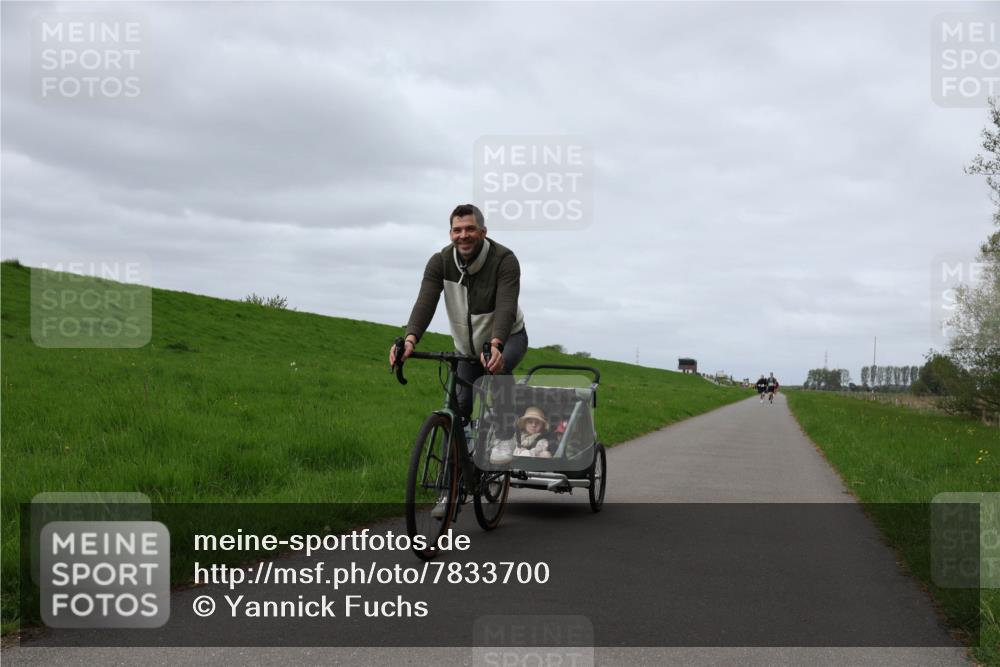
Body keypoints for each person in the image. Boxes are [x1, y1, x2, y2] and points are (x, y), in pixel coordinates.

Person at [389, 204, 529, 514]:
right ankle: (448, 490)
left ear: (483, 231)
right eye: (457, 230)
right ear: (451, 233)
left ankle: (505, 436)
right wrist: (410, 339)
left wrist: (496, 344)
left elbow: (506, 306)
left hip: (508, 337)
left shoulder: (504, 260)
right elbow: (425, 301)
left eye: (469, 229)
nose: (463, 235)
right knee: (457, 411)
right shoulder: (440, 262)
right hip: (466, 348)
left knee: (499, 370)